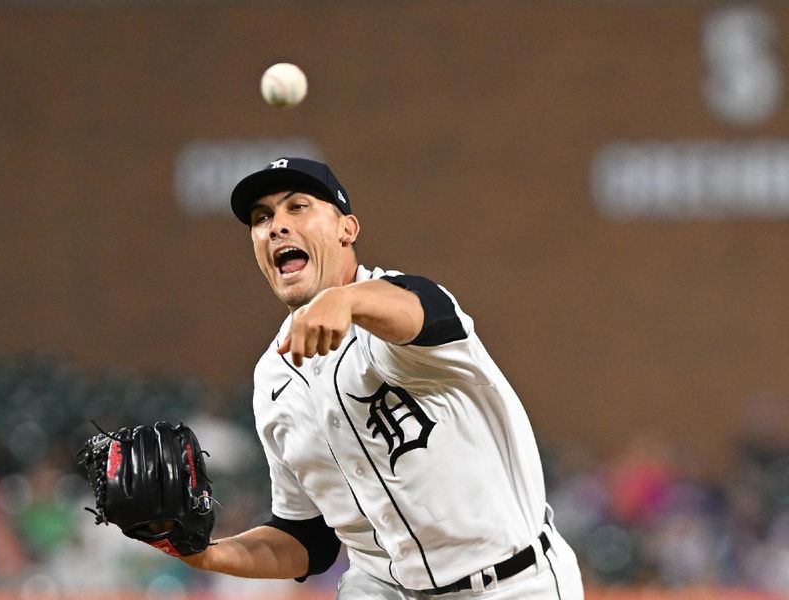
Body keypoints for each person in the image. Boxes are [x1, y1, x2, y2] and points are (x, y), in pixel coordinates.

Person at [182, 157, 584, 599]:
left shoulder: (401, 312)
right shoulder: (273, 379)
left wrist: (347, 300)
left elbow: (422, 311)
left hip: (511, 585)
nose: (276, 225)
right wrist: (203, 554)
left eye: (297, 207)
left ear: (347, 229)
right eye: (262, 218)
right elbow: (307, 540)